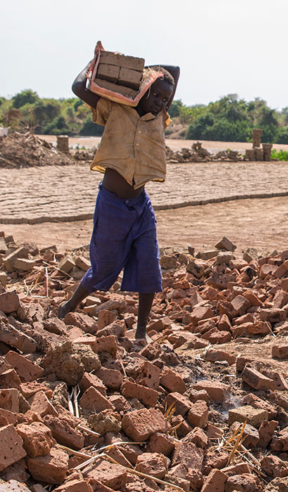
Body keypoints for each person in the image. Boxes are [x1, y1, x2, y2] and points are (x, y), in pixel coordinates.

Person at [57, 59, 180, 344]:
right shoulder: (116, 109)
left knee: (149, 264)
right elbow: (78, 87)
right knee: (103, 267)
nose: (161, 102)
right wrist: (98, 62)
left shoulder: (159, 118)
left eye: (166, 98)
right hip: (112, 205)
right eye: (156, 95)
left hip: (141, 206)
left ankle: (141, 332)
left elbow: (175, 69)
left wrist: (151, 73)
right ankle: (69, 306)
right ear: (144, 90)